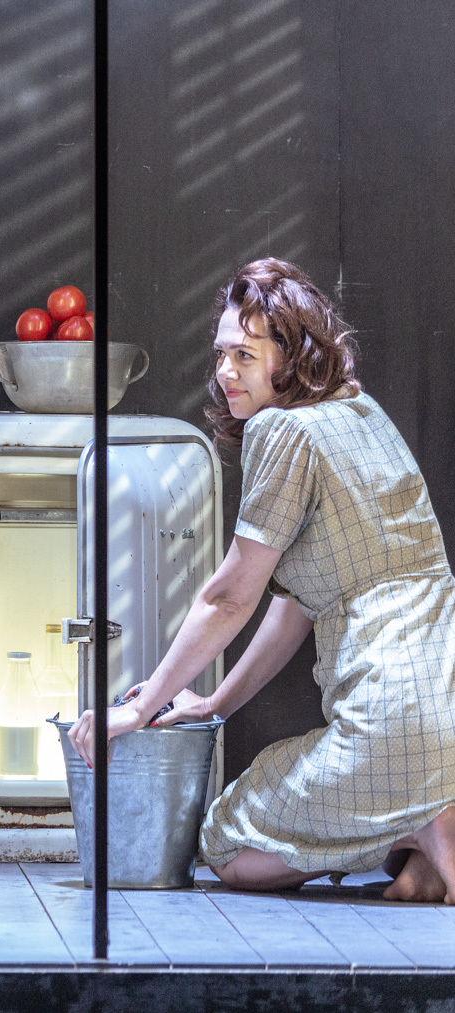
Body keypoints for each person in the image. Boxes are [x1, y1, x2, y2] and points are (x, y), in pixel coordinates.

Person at [68, 258, 455, 902]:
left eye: (245, 356)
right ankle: (425, 846)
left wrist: (139, 707)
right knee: (389, 846)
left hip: (391, 726)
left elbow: (229, 597)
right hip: (448, 711)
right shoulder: (361, 413)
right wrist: (213, 704)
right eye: (221, 354)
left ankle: (421, 821)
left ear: (294, 355)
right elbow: (292, 608)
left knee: (226, 843)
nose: (225, 372)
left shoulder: (282, 430)